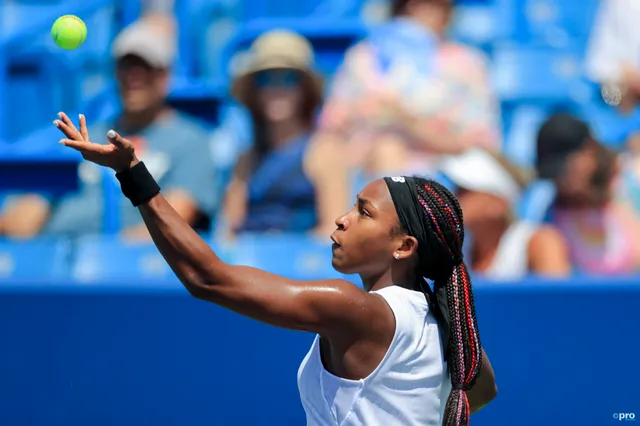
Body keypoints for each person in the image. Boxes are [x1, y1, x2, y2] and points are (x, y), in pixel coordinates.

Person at [54, 112, 497, 426]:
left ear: (404, 246)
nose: (342, 218)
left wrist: (132, 173)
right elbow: (481, 391)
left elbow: (208, 278)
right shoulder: (448, 328)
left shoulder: (358, 309)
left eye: (363, 213)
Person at [0, 16, 216, 239]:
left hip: (128, 264)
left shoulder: (191, 141)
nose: (134, 76)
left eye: (145, 67)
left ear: (164, 77)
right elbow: (25, 219)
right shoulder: (84, 136)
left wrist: (106, 255)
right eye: (126, 66)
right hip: (58, 257)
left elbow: (175, 223)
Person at [314, 0, 501, 178]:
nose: (417, 9)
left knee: (388, 148)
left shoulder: (467, 63)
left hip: (441, 167)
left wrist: (409, 123)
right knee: (326, 151)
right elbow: (332, 123)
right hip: (360, 162)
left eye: (433, 2)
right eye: (410, 2)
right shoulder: (363, 56)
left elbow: (479, 142)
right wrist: (369, 111)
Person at [223, 30, 347, 238]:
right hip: (249, 264)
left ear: (304, 90)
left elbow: (333, 232)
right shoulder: (246, 159)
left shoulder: (324, 150)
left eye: (288, 78)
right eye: (265, 79)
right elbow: (228, 233)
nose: (276, 88)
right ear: (255, 92)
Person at [440, 148, 570, 279]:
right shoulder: (452, 249)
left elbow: (560, 298)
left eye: (466, 190)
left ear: (498, 203)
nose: (453, 197)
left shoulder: (540, 242)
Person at [536, 113, 640, 274]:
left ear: (589, 150)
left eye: (565, 168)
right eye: (553, 173)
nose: (560, 179)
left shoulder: (633, 184)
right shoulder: (551, 218)